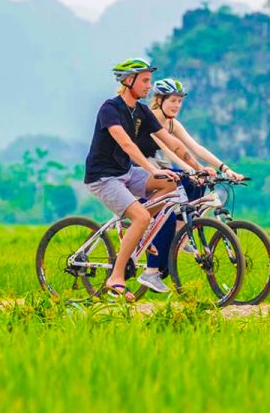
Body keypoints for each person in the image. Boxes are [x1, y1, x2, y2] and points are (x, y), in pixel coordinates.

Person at [83, 58, 210, 301]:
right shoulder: (110, 108)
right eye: (144, 81)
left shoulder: (140, 111)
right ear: (128, 81)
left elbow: (172, 142)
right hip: (103, 177)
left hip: (126, 174)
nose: (149, 86)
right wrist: (152, 170)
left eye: (149, 81)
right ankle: (116, 278)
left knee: (172, 184)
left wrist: (197, 168)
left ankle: (141, 229)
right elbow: (126, 144)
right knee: (142, 214)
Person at [134, 77, 246, 277]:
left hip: (160, 168)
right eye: (172, 100)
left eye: (179, 101)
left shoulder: (172, 124)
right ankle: (165, 247)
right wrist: (192, 169)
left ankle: (181, 233)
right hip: (141, 170)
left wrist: (224, 168)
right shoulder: (150, 118)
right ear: (159, 100)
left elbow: (195, 147)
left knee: (198, 185)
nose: (177, 105)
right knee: (186, 183)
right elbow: (171, 150)